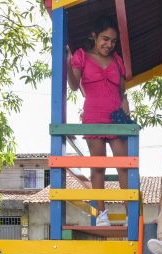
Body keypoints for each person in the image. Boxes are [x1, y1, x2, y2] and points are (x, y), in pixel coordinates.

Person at [67, 15, 130, 226]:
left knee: (124, 165)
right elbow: (74, 86)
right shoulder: (81, 55)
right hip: (93, 116)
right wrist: (67, 64)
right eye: (105, 39)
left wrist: (126, 109)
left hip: (116, 118)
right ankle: (102, 215)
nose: (109, 44)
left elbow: (122, 91)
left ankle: (131, 213)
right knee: (98, 166)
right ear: (94, 36)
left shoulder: (118, 60)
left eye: (113, 41)